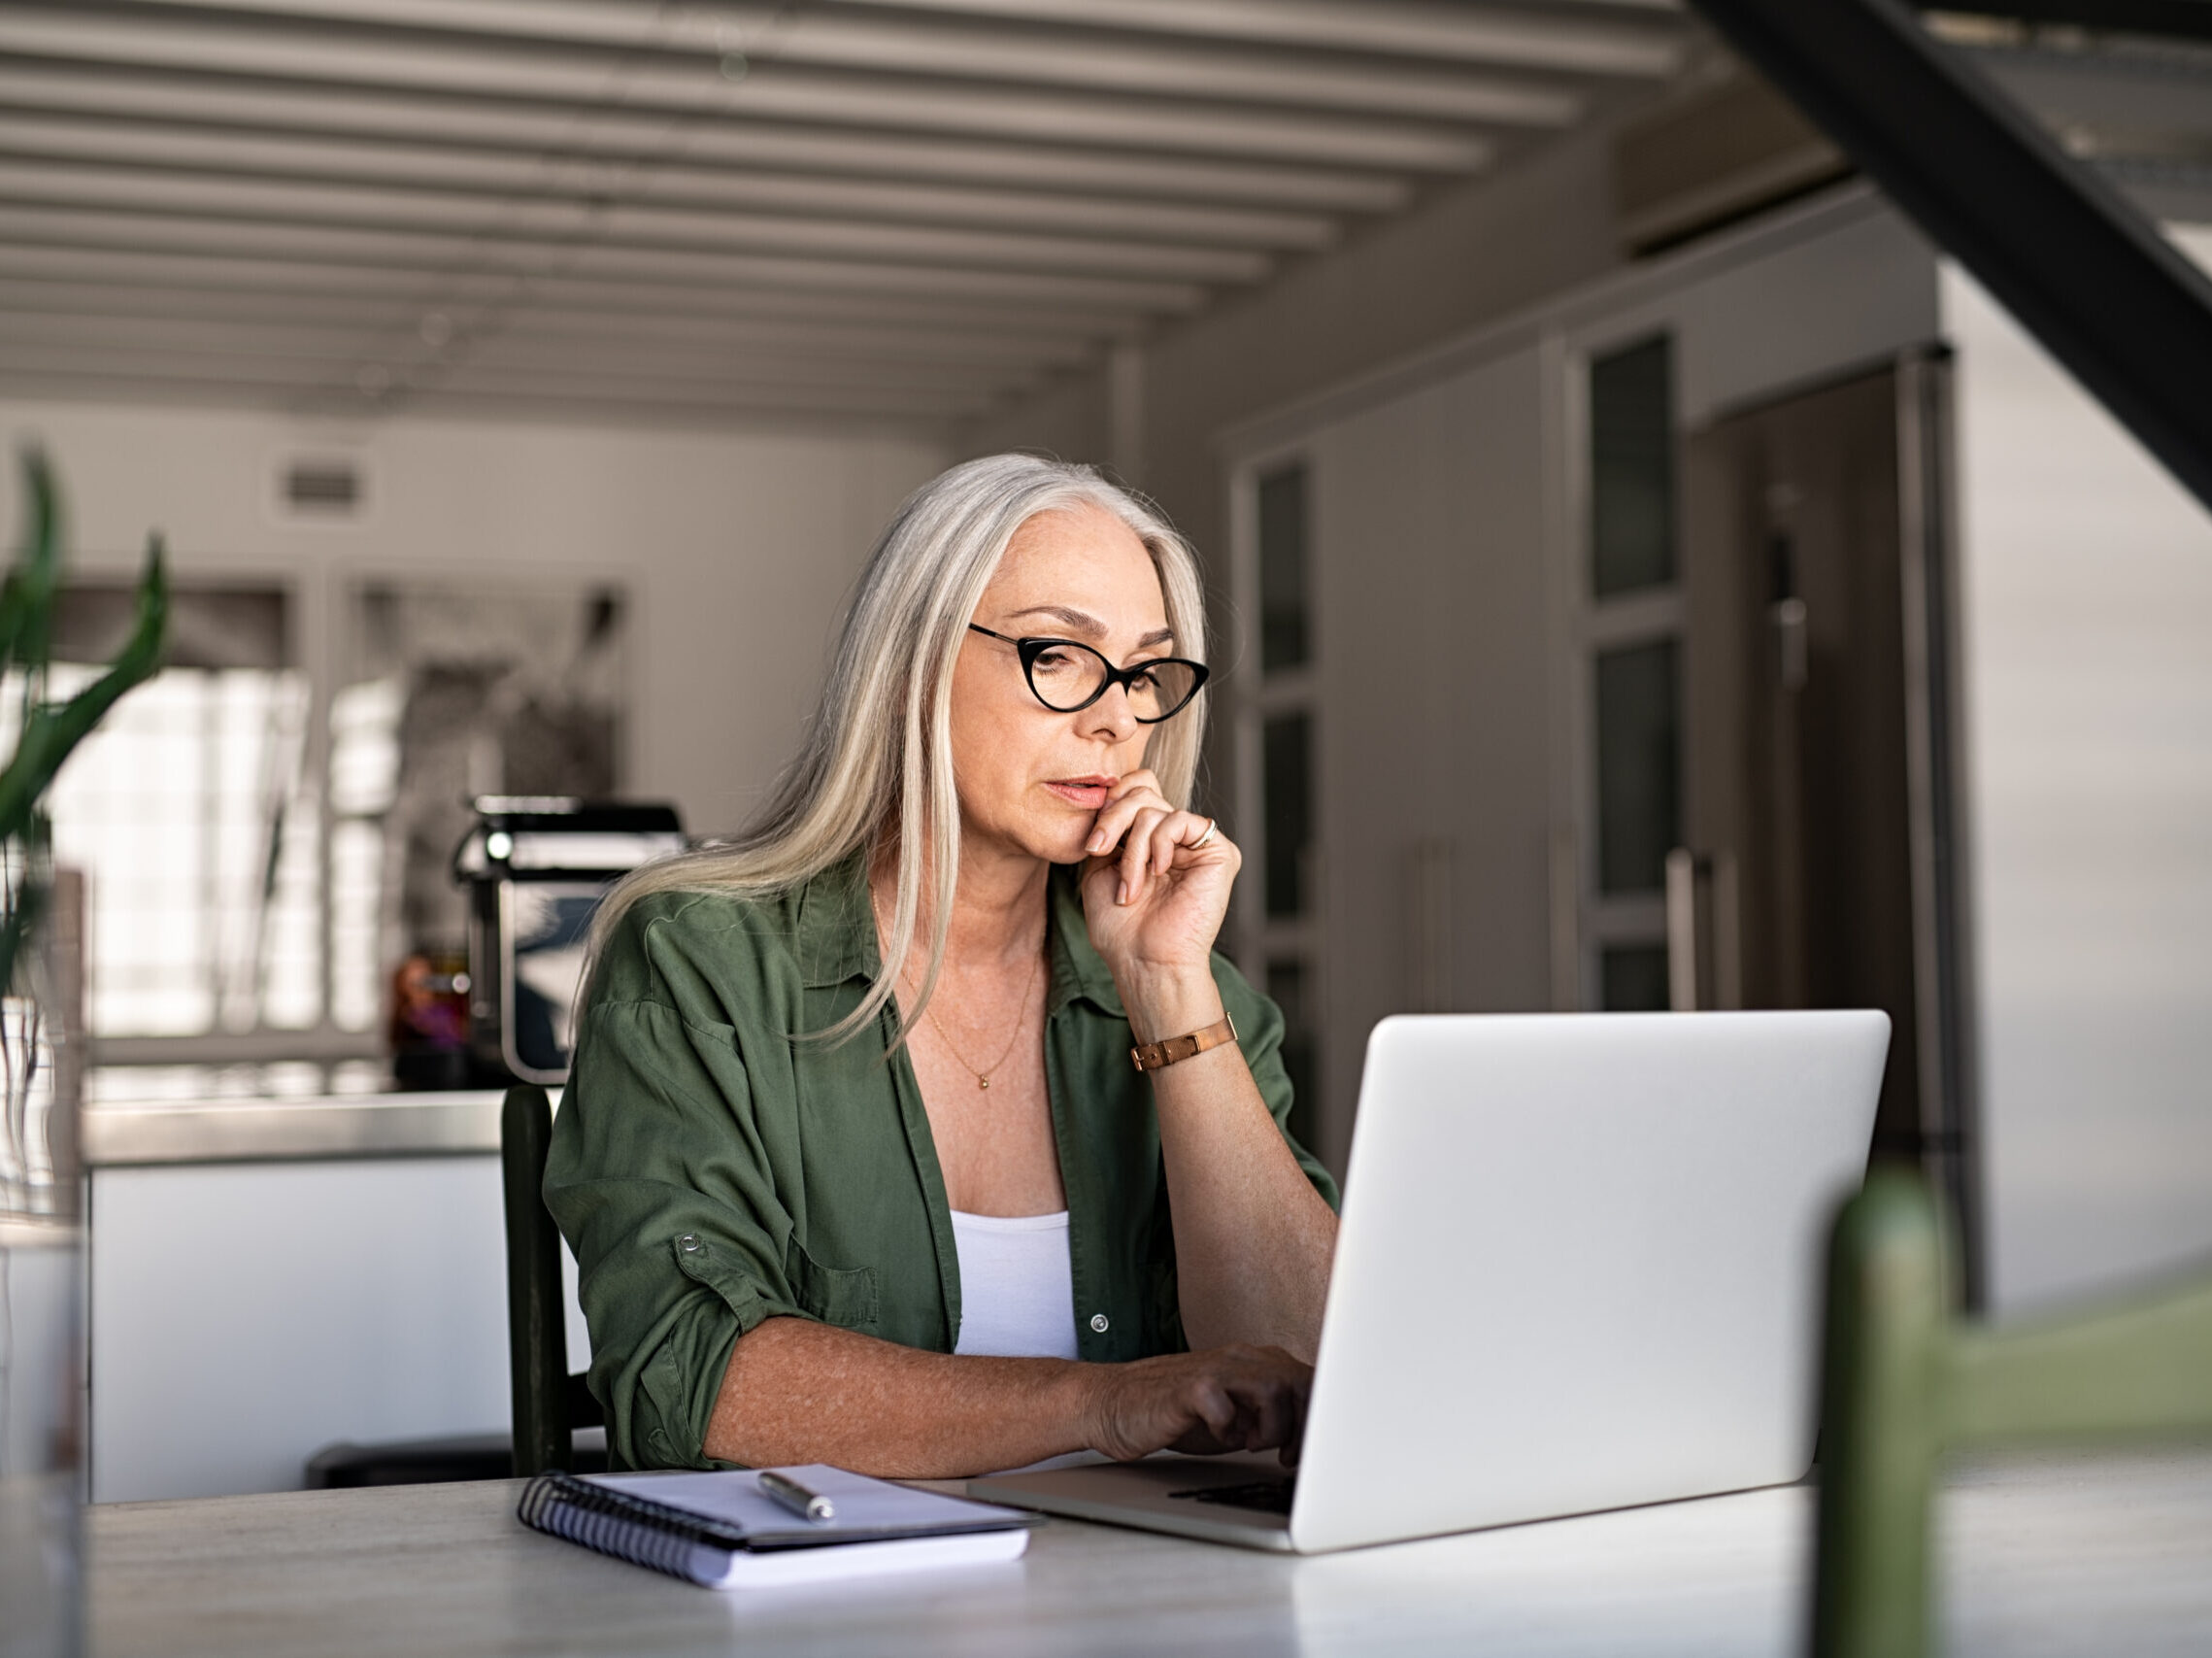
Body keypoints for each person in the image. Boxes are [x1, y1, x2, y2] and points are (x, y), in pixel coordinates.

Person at [546, 454, 1338, 1478]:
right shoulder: (703, 961)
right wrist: (1104, 1403)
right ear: (914, 661)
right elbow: (688, 1382)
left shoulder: (1191, 994)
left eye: (1145, 672)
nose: (1118, 718)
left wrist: (1166, 993)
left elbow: (1318, 1376)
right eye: (1058, 654)